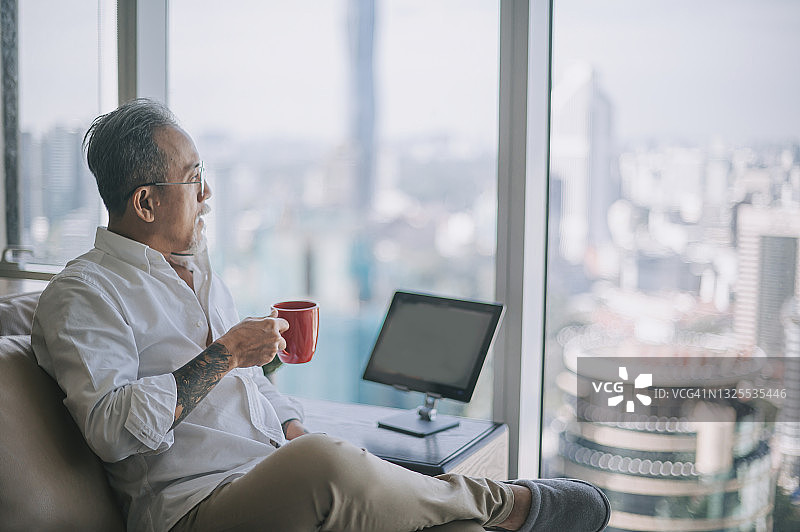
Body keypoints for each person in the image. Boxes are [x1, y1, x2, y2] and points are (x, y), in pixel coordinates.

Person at [31, 98, 610, 532]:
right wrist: (227, 353)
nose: (207, 195)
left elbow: (250, 387)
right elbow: (110, 429)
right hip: (191, 507)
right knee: (325, 463)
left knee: (436, 519)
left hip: (267, 471)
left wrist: (288, 426)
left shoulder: (198, 272)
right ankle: (504, 502)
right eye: (193, 179)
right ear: (146, 202)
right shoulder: (84, 294)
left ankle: (480, 510)